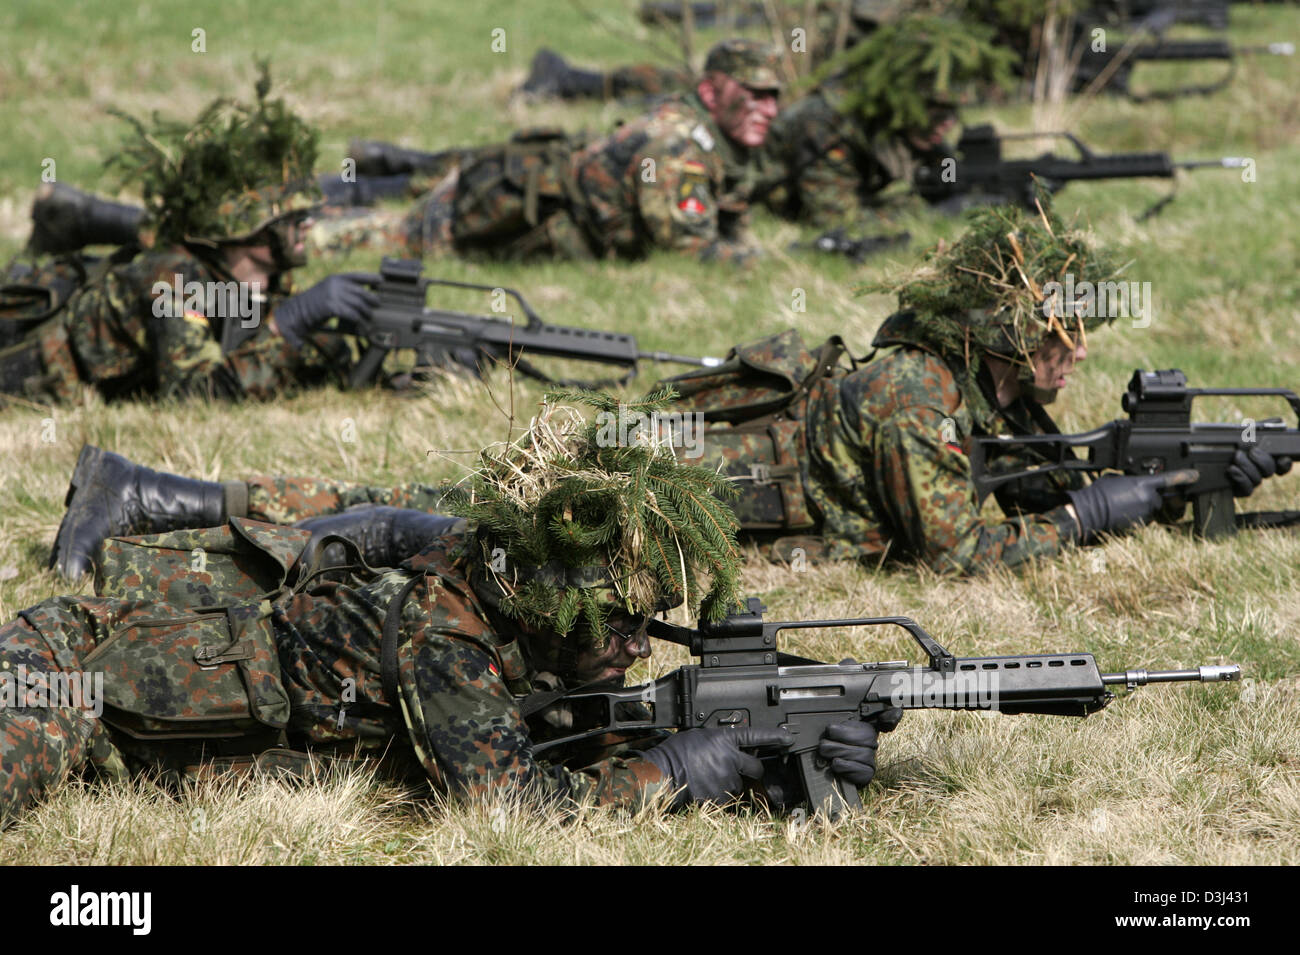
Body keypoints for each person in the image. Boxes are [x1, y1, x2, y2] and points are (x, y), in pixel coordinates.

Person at [48, 202, 1293, 582]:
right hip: (665, 498)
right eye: (1056, 336)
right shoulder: (915, 387)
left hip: (692, 491)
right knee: (431, 522)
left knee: (425, 514)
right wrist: (1098, 514)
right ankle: (158, 498)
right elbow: (959, 552)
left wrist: (1173, 480)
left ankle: (162, 502)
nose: (1070, 359)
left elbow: (1011, 472)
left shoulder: (952, 379)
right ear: (1002, 328)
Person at [0, 393, 888, 825]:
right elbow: (516, 807)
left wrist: (774, 754)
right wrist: (679, 770)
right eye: (617, 620)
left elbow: (573, 732)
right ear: (554, 599)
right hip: (66, 675)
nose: (635, 643)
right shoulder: (447, 636)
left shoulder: (516, 609)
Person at [0, 70, 378, 404]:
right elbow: (194, 394)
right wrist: (290, 323)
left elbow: (261, 355)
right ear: (245, 228)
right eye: (293, 219)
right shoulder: (176, 281)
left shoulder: (258, 281)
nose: (309, 226)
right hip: (25, 369)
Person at [307, 39, 783, 265]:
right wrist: (768, 264)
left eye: (772, 96)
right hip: (506, 216)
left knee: (388, 226)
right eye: (752, 94)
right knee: (377, 238)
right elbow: (686, 249)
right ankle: (290, 228)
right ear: (712, 91)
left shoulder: (704, 128)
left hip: (533, 208)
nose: (768, 108)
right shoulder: (680, 149)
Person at [759, 14, 1016, 227]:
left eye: (953, 114)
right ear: (903, 104)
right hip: (770, 206)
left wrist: (965, 187)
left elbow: (945, 172)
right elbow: (834, 219)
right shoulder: (827, 123)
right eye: (938, 114)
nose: (947, 124)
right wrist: (933, 212)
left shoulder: (902, 123)